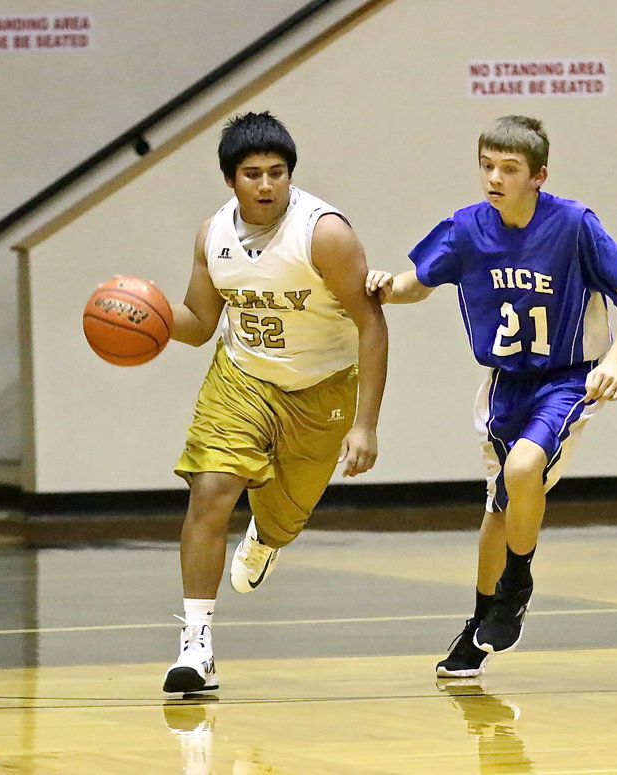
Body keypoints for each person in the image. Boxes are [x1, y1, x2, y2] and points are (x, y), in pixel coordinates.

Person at [366, 115, 617, 677]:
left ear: (538, 175)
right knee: (498, 507)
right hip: (503, 385)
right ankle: (479, 623)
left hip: (567, 378)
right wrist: (382, 286)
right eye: (486, 165)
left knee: (524, 469)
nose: (494, 177)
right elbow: (415, 284)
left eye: (509, 169)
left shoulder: (572, 225)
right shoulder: (467, 228)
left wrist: (616, 358)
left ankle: (517, 582)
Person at [161, 112, 387, 694]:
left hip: (322, 385)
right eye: (253, 174)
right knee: (210, 491)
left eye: (277, 173)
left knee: (284, 518)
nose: (266, 185)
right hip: (243, 377)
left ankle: (267, 535)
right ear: (230, 180)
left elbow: (371, 323)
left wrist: (366, 425)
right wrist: (148, 317)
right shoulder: (211, 233)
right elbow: (200, 322)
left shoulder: (324, 233)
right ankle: (196, 644)